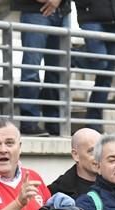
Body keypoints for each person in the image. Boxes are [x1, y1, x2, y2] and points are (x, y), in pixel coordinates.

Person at [72, 0, 115, 132]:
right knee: (100, 61)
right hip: (91, 18)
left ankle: (93, 122)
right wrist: (86, 6)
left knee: (105, 78)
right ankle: (72, 57)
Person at [14, 0, 71, 136]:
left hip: (61, 11)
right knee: (31, 68)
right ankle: (29, 122)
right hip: (35, 10)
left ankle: (54, 122)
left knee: (57, 72)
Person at [48, 127, 101, 198]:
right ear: (76, 155)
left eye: (101, 151)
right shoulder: (57, 192)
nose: (99, 156)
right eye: (92, 151)